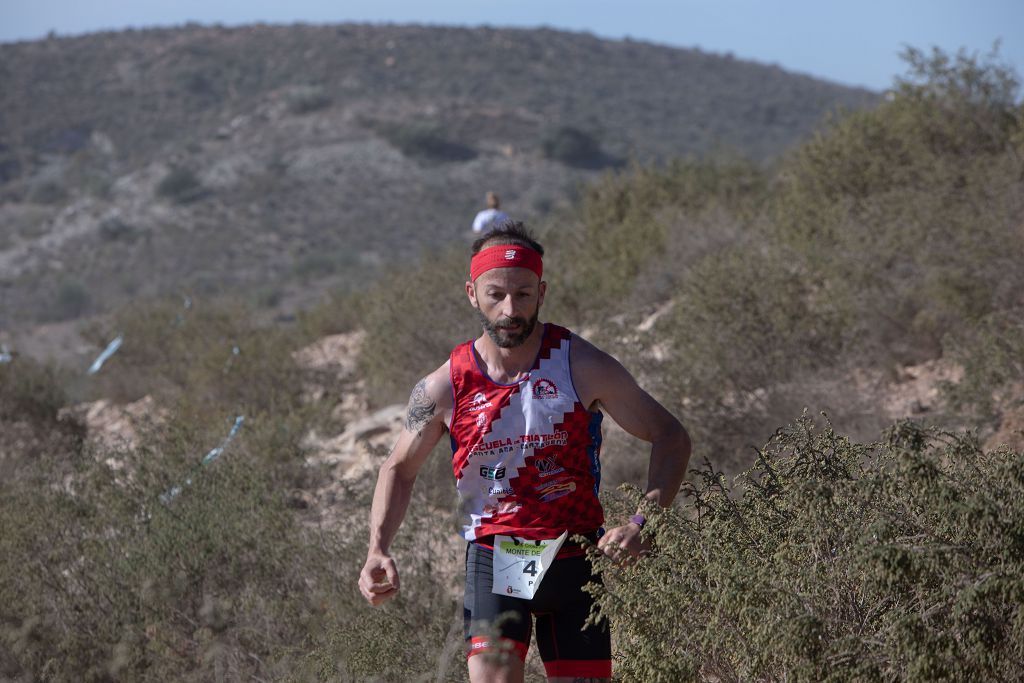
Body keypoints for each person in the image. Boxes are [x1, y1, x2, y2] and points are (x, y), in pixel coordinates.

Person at [358, 221, 691, 682]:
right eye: (496, 295)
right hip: (496, 556)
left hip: (575, 556)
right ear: (472, 293)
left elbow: (670, 435)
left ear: (542, 292)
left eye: (524, 294)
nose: (510, 310)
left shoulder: (581, 364)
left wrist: (642, 522)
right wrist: (378, 549)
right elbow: (397, 467)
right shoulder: (444, 386)